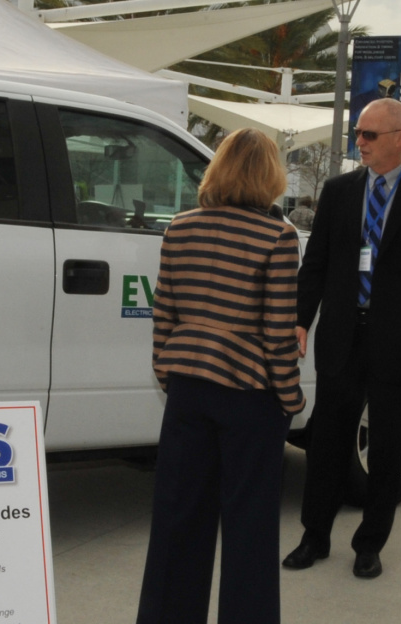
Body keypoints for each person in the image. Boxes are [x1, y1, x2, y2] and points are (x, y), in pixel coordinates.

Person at [283, 97, 401, 579]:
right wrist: (300, 319)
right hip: (340, 336)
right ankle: (313, 537)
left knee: (385, 447)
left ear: (400, 138)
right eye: (357, 133)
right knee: (327, 443)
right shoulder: (338, 192)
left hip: (398, 344)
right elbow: (315, 263)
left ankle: (369, 544)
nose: (358, 142)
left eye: (369, 134)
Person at [137, 127, 305, 624]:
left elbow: (163, 314)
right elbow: (278, 333)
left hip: (188, 388)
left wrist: (169, 374)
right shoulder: (278, 236)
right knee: (249, 530)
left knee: (177, 521)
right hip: (250, 396)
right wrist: (291, 399)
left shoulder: (180, 227)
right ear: (269, 175)